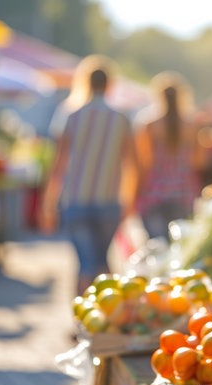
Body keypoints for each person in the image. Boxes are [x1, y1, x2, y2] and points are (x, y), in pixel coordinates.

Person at [40, 56, 139, 295]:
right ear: (109, 84)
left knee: (84, 263)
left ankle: (81, 319)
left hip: (76, 199)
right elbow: (132, 165)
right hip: (109, 200)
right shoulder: (122, 118)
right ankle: (108, 320)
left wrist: (47, 203)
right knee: (103, 262)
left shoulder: (71, 115)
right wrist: (128, 200)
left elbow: (59, 164)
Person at [135, 72, 203, 239]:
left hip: (153, 193)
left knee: (156, 247)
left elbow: (143, 163)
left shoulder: (149, 124)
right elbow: (200, 161)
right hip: (183, 193)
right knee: (179, 248)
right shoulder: (191, 125)